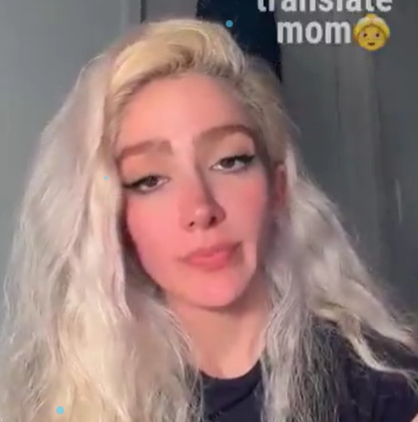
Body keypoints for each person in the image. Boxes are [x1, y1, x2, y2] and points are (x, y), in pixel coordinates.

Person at [0, 18, 418, 422]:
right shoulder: (58, 397)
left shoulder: (384, 383)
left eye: (230, 161)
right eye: (149, 180)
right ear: (114, 218)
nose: (201, 209)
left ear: (278, 188)